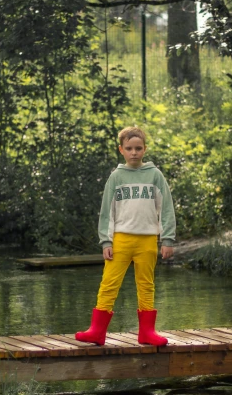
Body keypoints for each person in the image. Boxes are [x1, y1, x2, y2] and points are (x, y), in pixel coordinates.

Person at [75, 126, 175, 347]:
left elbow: (166, 208)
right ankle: (97, 331)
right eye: (129, 148)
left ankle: (147, 333)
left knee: (146, 284)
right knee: (109, 283)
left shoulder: (155, 175)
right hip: (120, 239)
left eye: (138, 148)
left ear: (145, 149)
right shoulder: (116, 177)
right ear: (121, 149)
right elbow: (106, 211)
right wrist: (106, 240)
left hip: (147, 240)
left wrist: (167, 239)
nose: (134, 153)